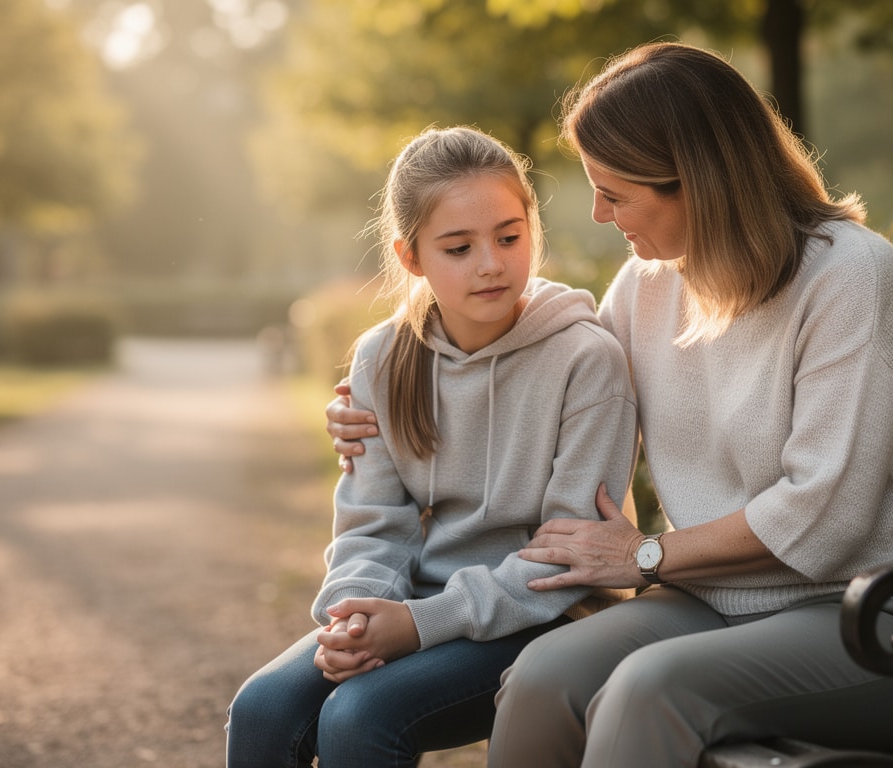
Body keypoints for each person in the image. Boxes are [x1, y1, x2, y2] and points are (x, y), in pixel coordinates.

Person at [326, 43, 893, 768]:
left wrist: (647, 555)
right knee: (542, 678)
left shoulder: (851, 276)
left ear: (695, 183)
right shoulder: (646, 287)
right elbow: (550, 369)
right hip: (711, 604)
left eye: (616, 192)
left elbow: (826, 515)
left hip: (871, 621)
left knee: (648, 689)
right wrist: (375, 395)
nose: (600, 215)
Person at [226, 126, 639, 768]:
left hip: (546, 614)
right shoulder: (384, 358)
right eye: (458, 247)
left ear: (533, 228)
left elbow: (568, 558)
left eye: (509, 236)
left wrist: (420, 625)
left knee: (359, 717)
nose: (491, 264)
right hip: (416, 604)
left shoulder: (586, 361)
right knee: (262, 710)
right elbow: (372, 524)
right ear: (411, 256)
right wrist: (352, 620)